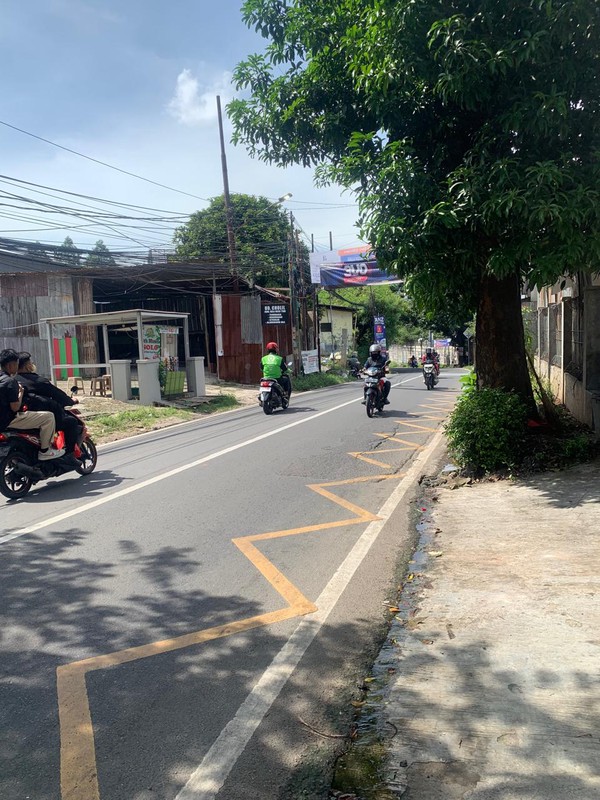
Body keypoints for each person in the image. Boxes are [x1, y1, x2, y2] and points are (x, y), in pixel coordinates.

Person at [0, 349, 65, 460]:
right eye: (16, 364)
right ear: (11, 365)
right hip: (9, 420)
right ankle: (45, 451)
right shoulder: (10, 382)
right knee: (48, 417)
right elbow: (15, 407)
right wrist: (20, 393)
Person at [16, 352, 81, 461]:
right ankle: (69, 455)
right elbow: (58, 395)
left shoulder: (12, 381)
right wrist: (71, 401)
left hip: (20, 418)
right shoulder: (39, 381)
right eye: (30, 362)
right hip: (40, 418)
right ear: (27, 365)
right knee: (71, 422)